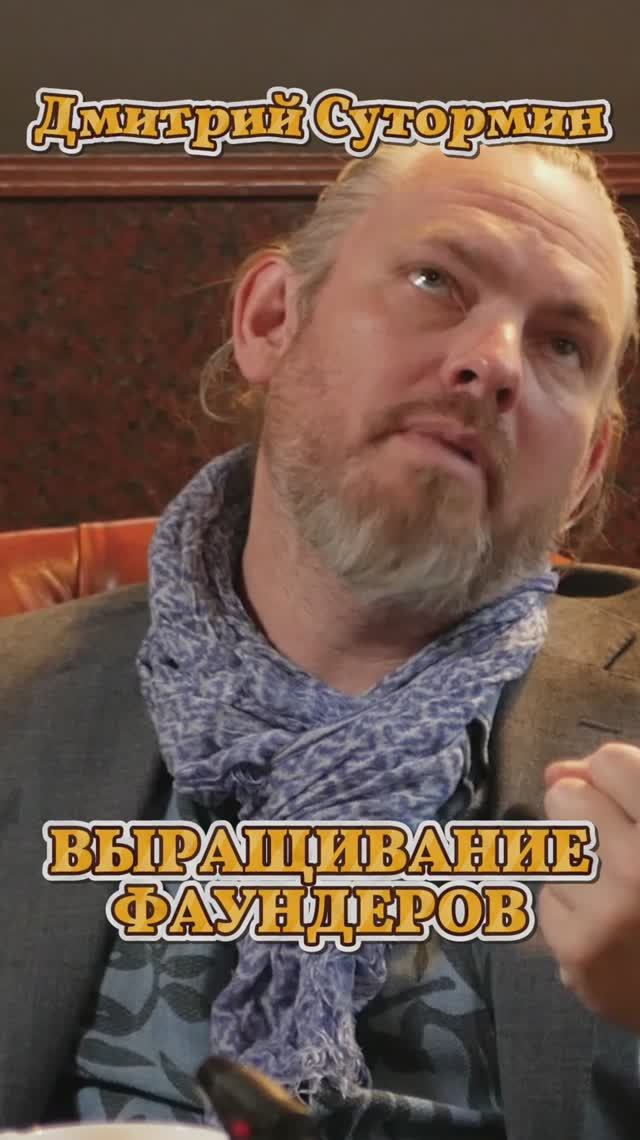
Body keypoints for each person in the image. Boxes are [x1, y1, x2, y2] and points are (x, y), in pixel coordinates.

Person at [1, 141, 640, 1140]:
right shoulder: (16, 701)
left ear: (587, 464)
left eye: (563, 345)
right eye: (435, 281)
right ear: (271, 320)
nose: (494, 362)